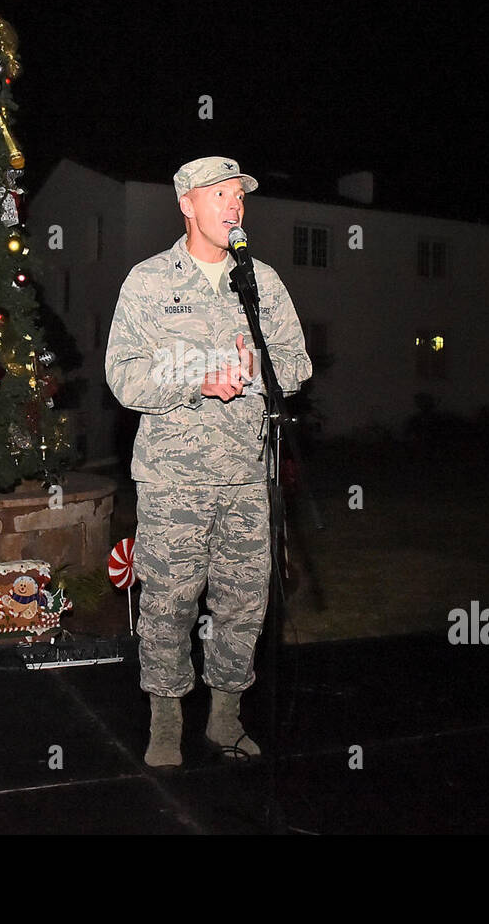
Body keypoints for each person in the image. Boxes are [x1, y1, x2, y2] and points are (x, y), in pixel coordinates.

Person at [105, 156, 312, 767]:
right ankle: (165, 722)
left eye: (239, 196)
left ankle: (226, 720)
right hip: (173, 480)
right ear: (186, 204)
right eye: (219, 194)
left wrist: (252, 372)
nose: (233, 205)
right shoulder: (147, 281)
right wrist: (196, 379)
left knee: (244, 604)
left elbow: (296, 365)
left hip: (248, 476)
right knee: (168, 603)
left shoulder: (261, 282)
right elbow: (122, 377)